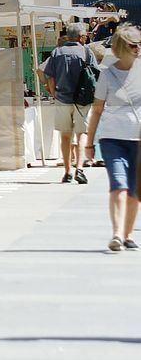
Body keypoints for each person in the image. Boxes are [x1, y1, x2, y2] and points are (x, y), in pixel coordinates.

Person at [84, 23, 141, 251]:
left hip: (138, 139)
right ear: (121, 46)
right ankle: (117, 233)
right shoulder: (107, 75)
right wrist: (89, 143)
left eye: (139, 44)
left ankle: (127, 235)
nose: (138, 48)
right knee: (119, 185)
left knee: (135, 191)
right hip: (112, 139)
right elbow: (97, 109)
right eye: (133, 45)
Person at [43, 22, 98, 184]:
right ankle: (79, 169)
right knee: (82, 134)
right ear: (81, 37)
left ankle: (67, 172)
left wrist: (54, 94)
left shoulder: (57, 52)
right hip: (82, 101)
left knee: (65, 136)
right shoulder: (87, 52)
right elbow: (95, 75)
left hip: (62, 99)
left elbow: (49, 77)